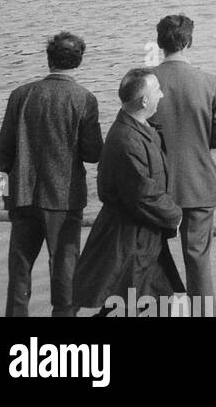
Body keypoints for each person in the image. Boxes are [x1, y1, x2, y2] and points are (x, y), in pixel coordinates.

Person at [0, 31, 103, 317]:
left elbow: (3, 150)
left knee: (19, 272)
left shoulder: (20, 94)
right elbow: (94, 154)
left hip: (22, 195)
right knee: (66, 270)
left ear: (48, 58)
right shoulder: (84, 99)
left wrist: (5, 195)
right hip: (64, 199)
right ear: (78, 61)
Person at [73, 69, 184, 313]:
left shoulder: (139, 127)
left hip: (142, 235)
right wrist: (176, 215)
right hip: (130, 237)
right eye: (157, 91)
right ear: (144, 100)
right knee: (130, 302)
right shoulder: (126, 140)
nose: (162, 95)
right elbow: (143, 195)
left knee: (146, 300)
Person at [150, 14, 216, 308]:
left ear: (160, 43)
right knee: (198, 260)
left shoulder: (144, 81)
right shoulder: (211, 82)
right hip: (198, 182)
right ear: (189, 42)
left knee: (150, 256)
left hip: (155, 187)